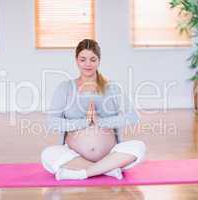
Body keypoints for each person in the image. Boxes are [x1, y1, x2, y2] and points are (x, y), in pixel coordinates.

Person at [41, 39, 146, 180]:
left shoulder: (113, 88)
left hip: (111, 153)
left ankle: (83, 173)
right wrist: (84, 122)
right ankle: (108, 169)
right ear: (76, 60)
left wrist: (101, 121)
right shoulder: (65, 88)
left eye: (92, 59)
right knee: (47, 154)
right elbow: (52, 121)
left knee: (138, 147)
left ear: (99, 61)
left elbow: (133, 116)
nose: (88, 64)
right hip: (74, 156)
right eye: (83, 59)